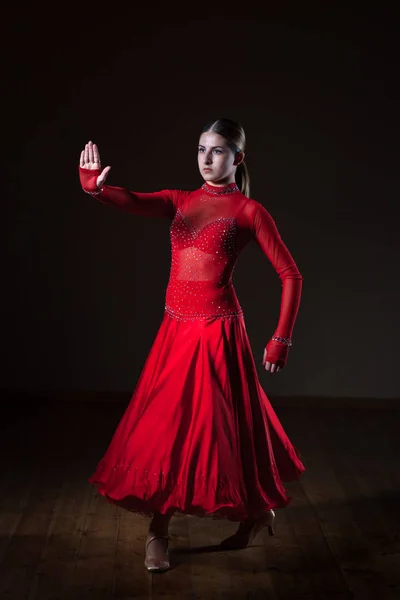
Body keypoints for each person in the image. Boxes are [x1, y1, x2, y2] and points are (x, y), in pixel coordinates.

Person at [78, 118, 305, 573]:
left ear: (237, 159)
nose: (206, 158)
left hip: (218, 331)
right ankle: (159, 529)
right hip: (176, 330)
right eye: (201, 148)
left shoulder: (249, 211)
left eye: (217, 151)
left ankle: (255, 512)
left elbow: (291, 275)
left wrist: (281, 338)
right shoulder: (180, 201)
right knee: (166, 426)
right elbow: (134, 201)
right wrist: (96, 190)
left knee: (219, 430)